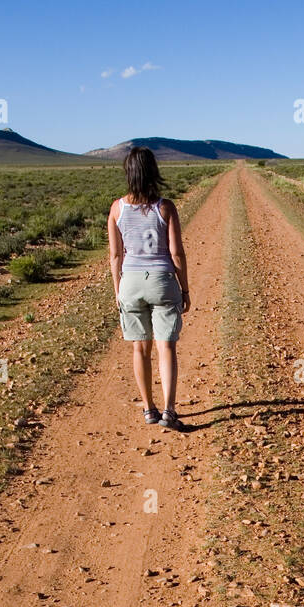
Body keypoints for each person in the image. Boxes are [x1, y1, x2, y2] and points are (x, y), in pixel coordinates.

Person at [107, 146, 191, 428]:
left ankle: (148, 409)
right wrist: (185, 288)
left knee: (139, 349)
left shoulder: (117, 208)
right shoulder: (165, 207)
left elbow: (116, 256)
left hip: (130, 282)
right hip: (162, 281)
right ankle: (169, 410)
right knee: (166, 346)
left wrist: (118, 289)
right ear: (153, 171)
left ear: (129, 173)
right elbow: (177, 253)